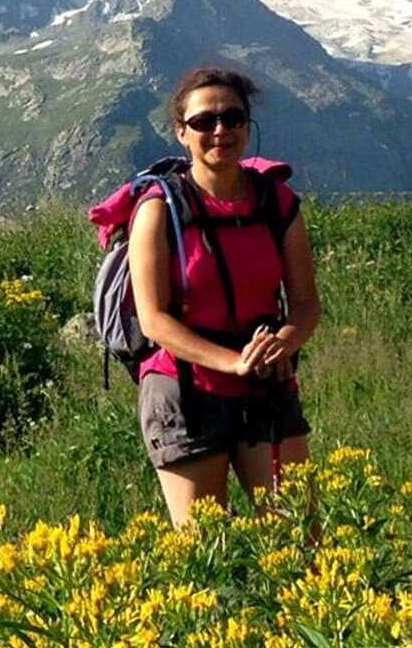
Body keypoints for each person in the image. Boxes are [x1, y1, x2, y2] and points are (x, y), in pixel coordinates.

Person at [130, 65, 321, 526]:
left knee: (300, 537)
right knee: (205, 550)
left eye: (233, 119)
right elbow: (153, 319)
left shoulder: (277, 202)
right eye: (203, 122)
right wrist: (232, 362)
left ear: (247, 125)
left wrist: (287, 341)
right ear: (181, 132)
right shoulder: (159, 208)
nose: (220, 130)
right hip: (185, 390)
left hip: (266, 385)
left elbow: (307, 303)